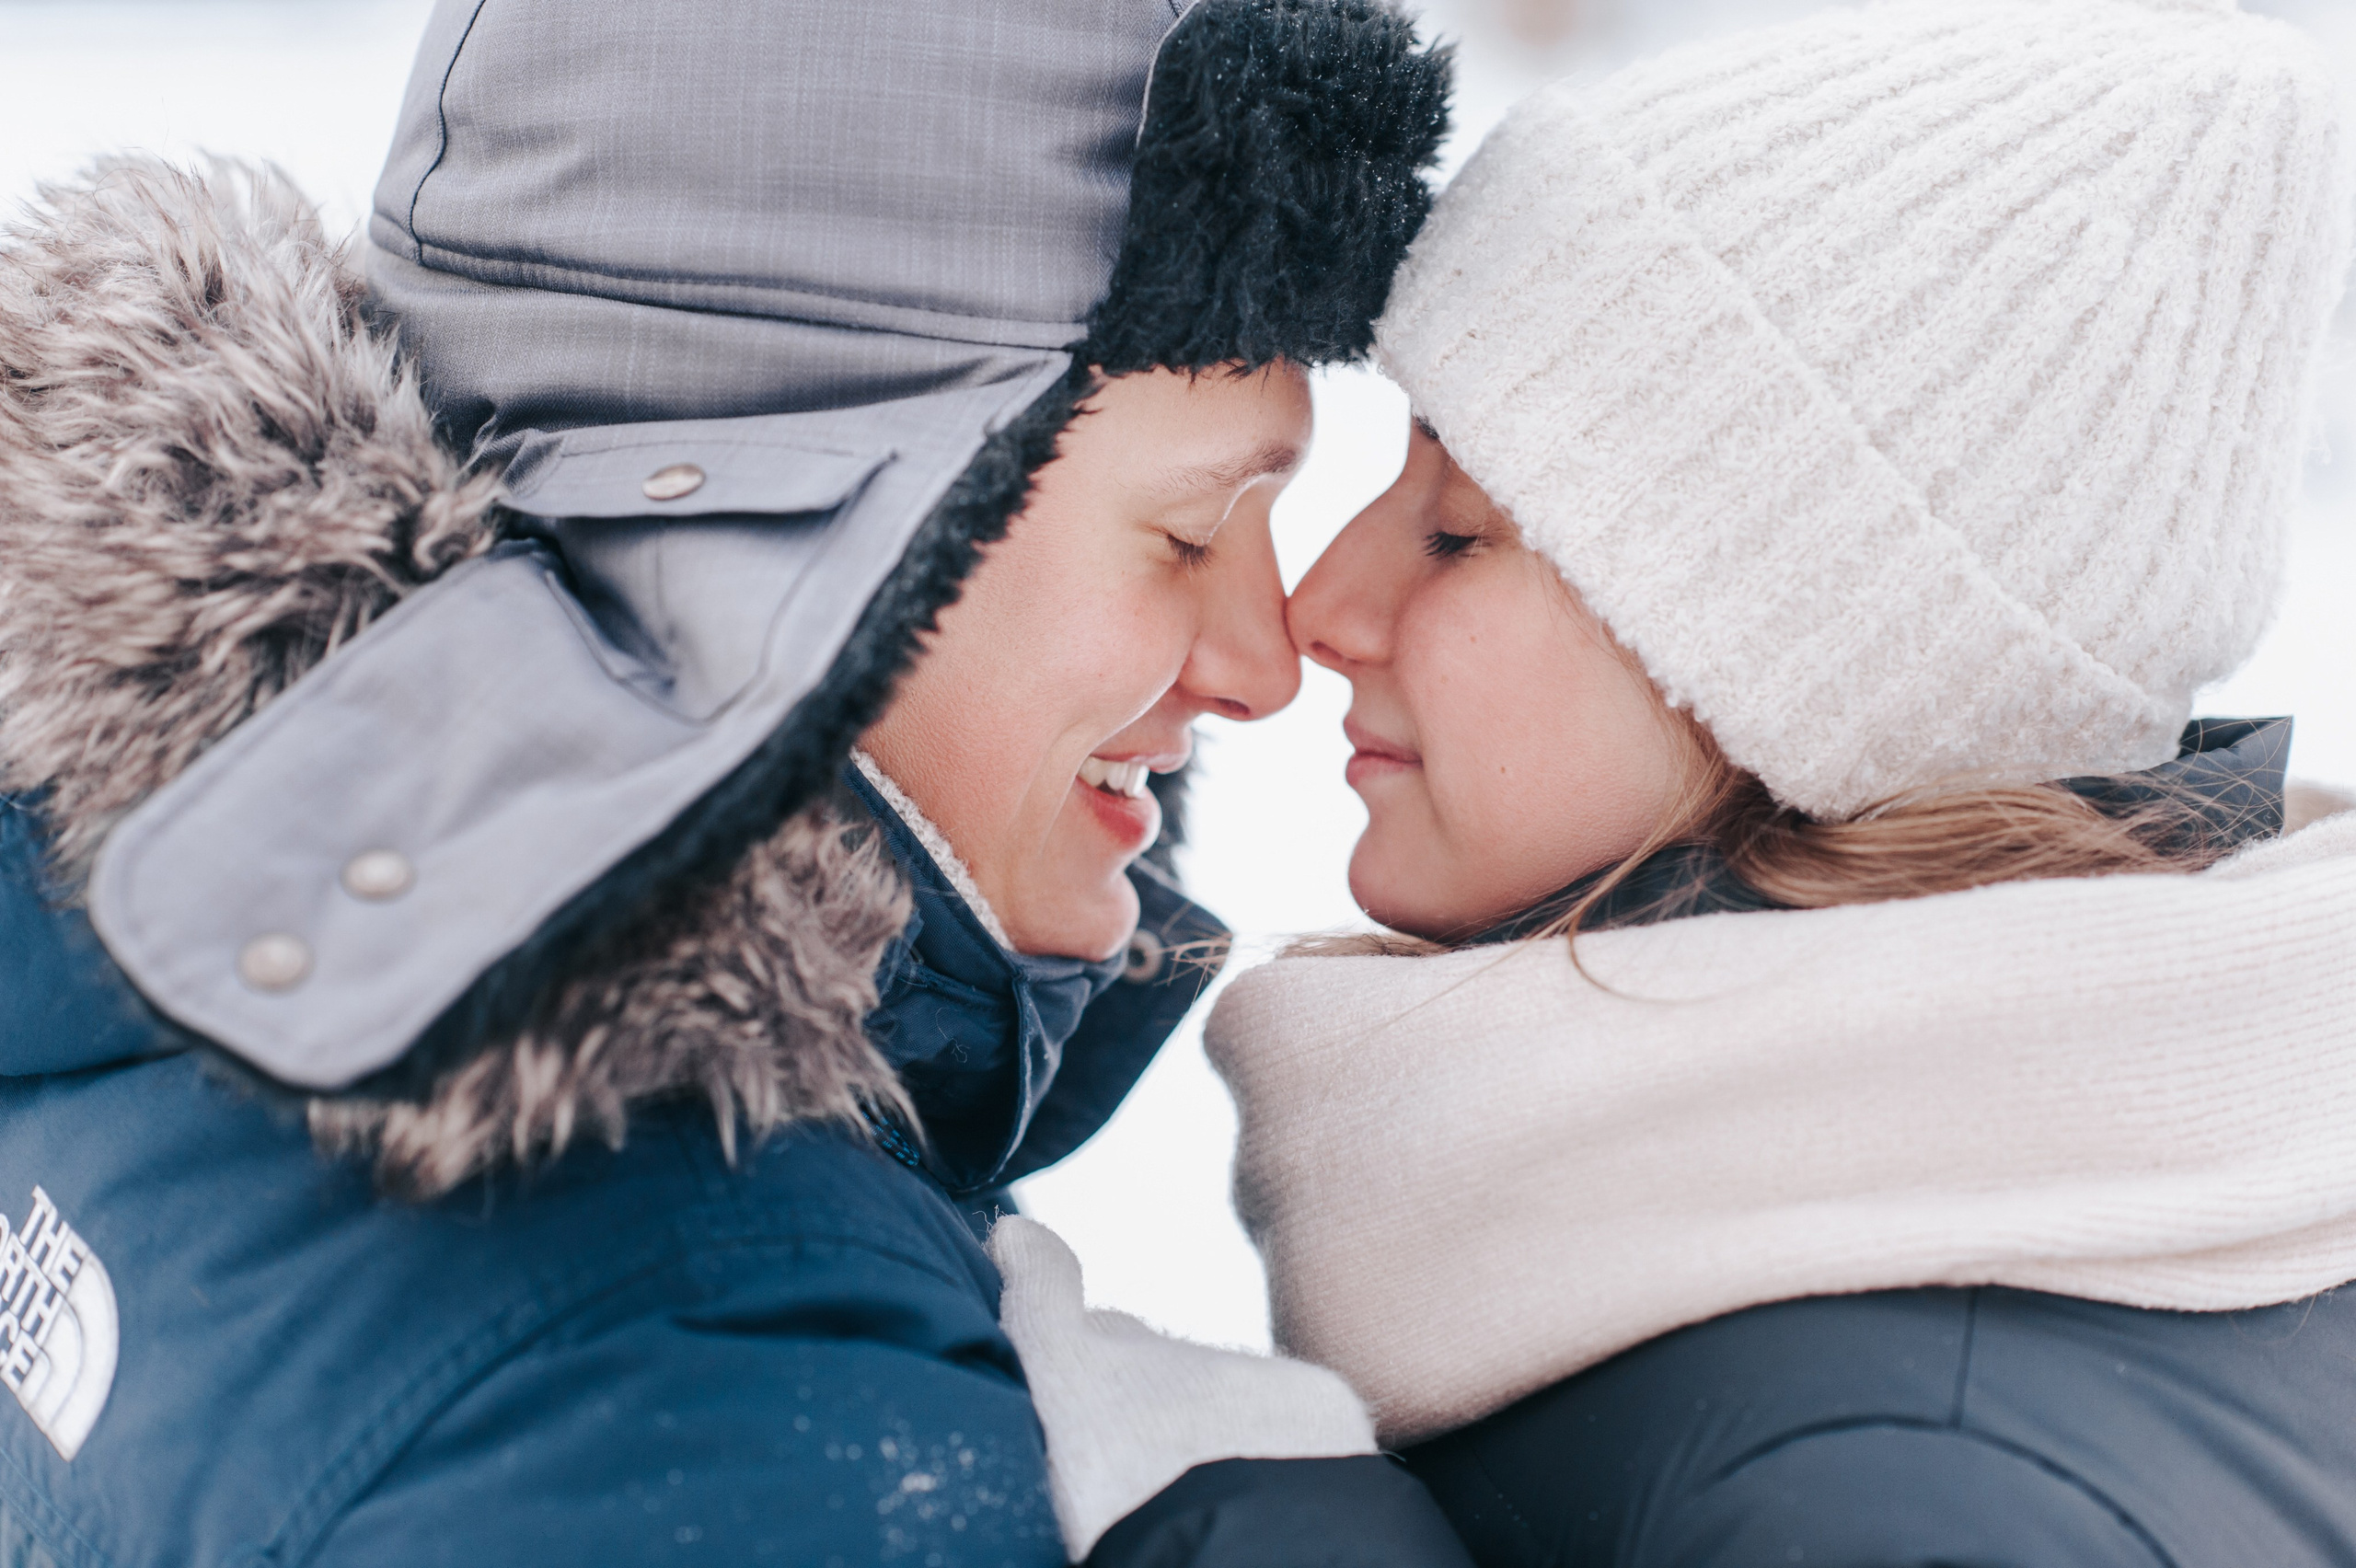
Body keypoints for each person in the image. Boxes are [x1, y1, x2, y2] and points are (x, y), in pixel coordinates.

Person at [0, 2, 1467, 1562]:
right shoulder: (708, 1370)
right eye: (1188, 534)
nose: (1263, 659)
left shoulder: (154, 932)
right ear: (800, 512)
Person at [993, 0, 2356, 1562]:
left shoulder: (1898, 1488)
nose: (1322, 611)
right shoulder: (1882, 1271)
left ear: (1808, 665)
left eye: (1459, 534)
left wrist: (1234, 1517)